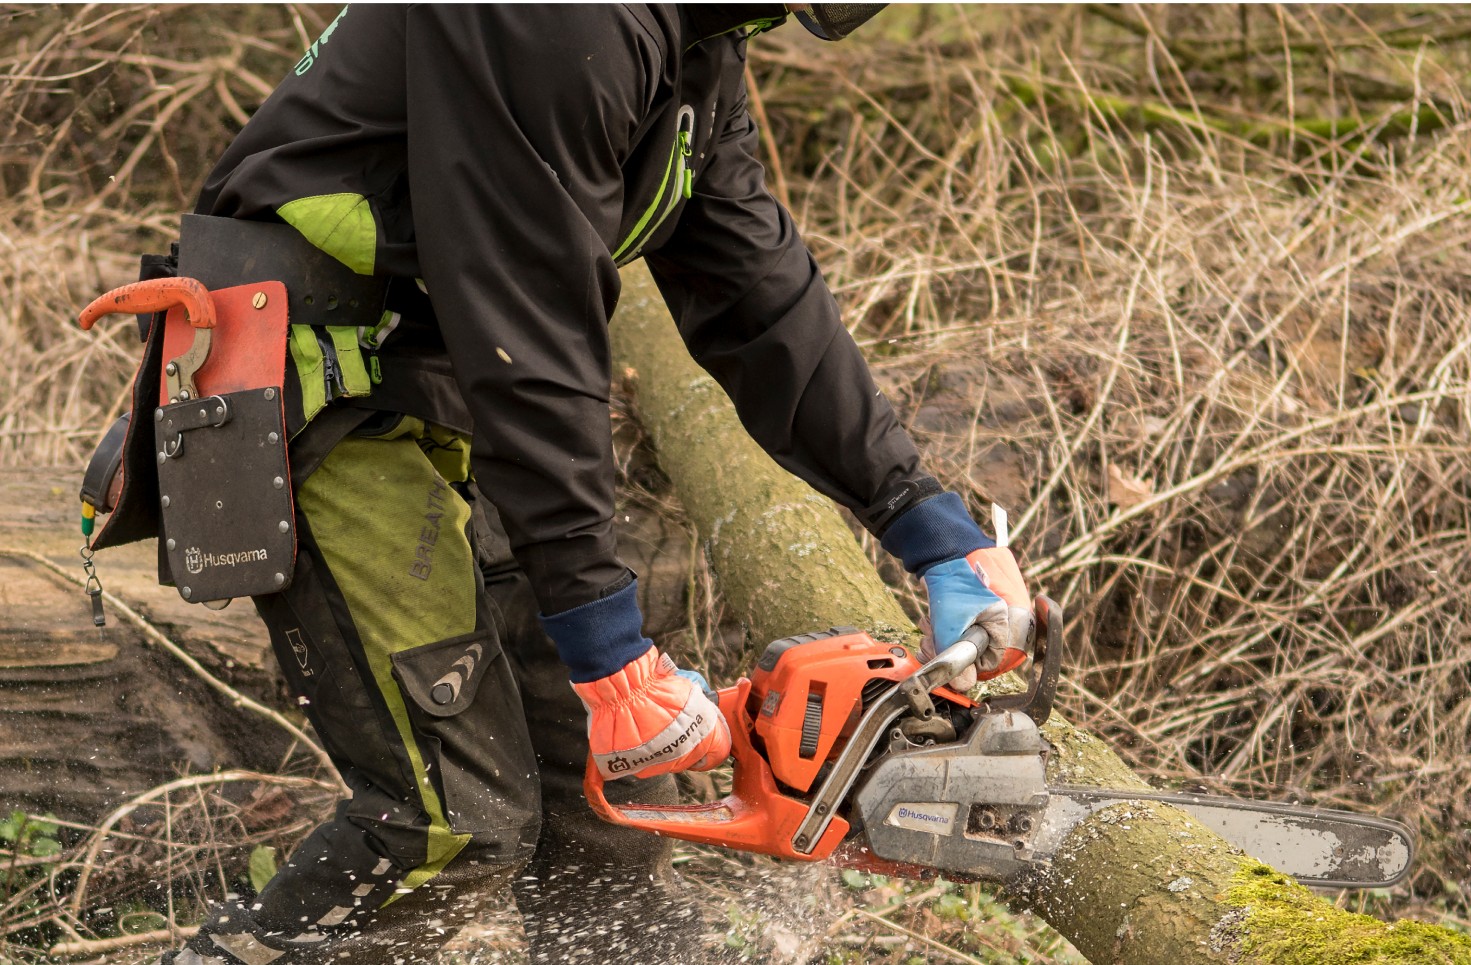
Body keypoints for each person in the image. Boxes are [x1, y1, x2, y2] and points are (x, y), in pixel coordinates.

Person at [154, 5, 1033, 963]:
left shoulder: (697, 46)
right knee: (452, 819)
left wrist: (929, 523)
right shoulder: (553, 16)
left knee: (599, 790)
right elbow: (530, 326)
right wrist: (608, 649)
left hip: (450, 396)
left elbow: (756, 290)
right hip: (319, 385)